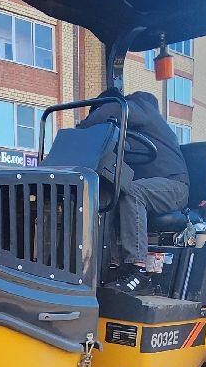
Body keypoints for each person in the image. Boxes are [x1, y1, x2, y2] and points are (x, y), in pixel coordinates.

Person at [79, 90, 189, 291]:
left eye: (96, 112)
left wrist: (82, 128)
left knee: (132, 192)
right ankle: (112, 264)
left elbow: (113, 110)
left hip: (175, 187)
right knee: (106, 195)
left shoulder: (139, 106)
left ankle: (139, 270)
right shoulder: (129, 128)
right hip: (152, 186)